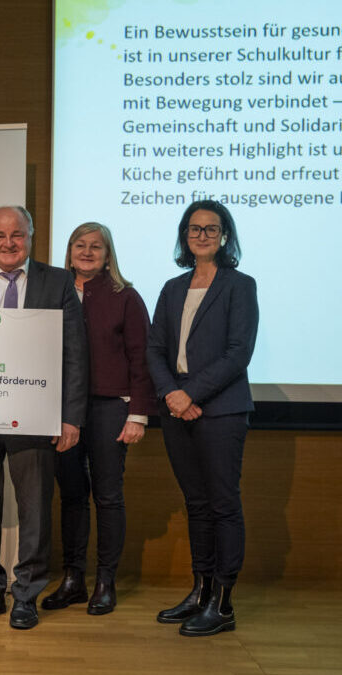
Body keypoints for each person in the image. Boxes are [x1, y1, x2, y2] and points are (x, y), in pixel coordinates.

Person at [0, 206, 88, 630]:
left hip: (35, 417)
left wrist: (70, 418)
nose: (8, 243)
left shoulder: (59, 282)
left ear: (31, 236)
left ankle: (26, 594)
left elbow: (75, 355)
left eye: (17, 235)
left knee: (35, 510)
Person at [147, 200, 258, 637]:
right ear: (184, 236)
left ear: (225, 236)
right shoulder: (173, 288)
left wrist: (189, 392)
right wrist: (173, 394)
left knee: (223, 505)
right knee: (196, 505)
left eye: (212, 229)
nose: (203, 235)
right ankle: (200, 591)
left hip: (222, 409)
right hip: (177, 409)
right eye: (194, 229)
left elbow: (238, 353)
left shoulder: (240, 285)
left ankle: (223, 604)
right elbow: (155, 349)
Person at [41, 222, 155, 616]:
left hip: (111, 408)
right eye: (79, 245)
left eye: (96, 247)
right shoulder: (51, 292)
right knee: (71, 494)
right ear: (69, 250)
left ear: (109, 255)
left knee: (107, 495)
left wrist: (137, 414)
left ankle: (105, 581)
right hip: (60, 410)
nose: (87, 252)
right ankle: (73, 578)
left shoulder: (126, 297)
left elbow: (142, 359)